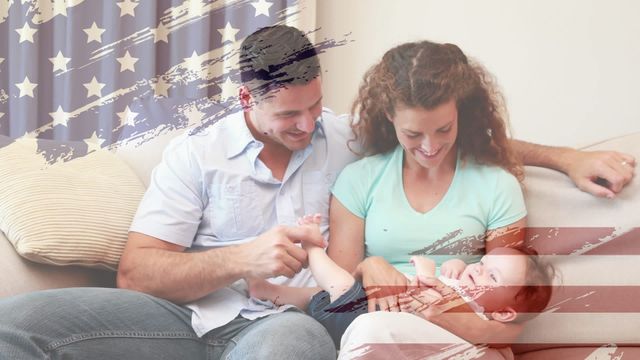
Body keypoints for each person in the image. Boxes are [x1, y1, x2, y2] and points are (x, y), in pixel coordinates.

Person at [0, 25, 635, 359]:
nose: (307, 127)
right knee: (17, 323)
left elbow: (446, 139)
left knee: (291, 346)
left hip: (285, 324)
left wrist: (564, 157)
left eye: (314, 106)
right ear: (248, 98)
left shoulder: (345, 137)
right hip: (186, 318)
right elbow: (136, 275)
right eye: (287, 116)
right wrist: (244, 258)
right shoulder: (194, 154)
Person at [249, 215, 554, 348]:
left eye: (492, 276)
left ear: (503, 313)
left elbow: (430, 293)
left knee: (339, 287)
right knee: (321, 295)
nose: (478, 271)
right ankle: (274, 293)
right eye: (483, 263)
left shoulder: (476, 317)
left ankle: (313, 247)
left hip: (363, 316)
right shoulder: (465, 287)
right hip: (362, 307)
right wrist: (456, 265)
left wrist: (427, 272)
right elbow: (447, 277)